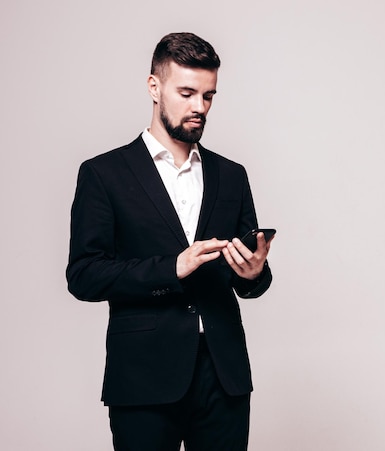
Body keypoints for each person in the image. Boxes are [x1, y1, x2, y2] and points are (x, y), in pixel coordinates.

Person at [66, 32, 274, 450]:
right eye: (187, 93)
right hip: (143, 377)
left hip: (224, 375)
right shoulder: (104, 174)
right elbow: (84, 275)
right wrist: (171, 268)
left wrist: (254, 274)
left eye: (209, 96)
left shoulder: (231, 175)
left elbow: (252, 279)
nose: (199, 107)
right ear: (154, 87)